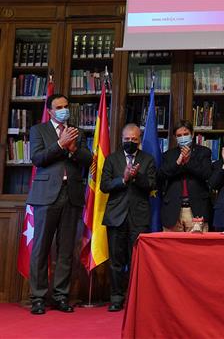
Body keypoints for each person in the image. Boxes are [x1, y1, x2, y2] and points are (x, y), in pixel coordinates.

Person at [26, 94, 92, 315]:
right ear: (50, 111)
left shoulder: (77, 132)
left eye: (66, 106)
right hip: (46, 195)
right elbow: (37, 158)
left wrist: (73, 148)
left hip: (71, 195)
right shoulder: (38, 131)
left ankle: (60, 296)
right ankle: (37, 297)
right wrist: (60, 144)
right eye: (59, 107)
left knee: (65, 250)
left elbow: (87, 159)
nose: (64, 110)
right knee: (41, 248)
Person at [100, 124, 156, 312]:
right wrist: (123, 179)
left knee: (136, 260)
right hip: (116, 216)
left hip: (138, 217)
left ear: (139, 140)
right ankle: (116, 297)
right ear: (121, 139)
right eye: (127, 139)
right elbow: (104, 186)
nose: (130, 142)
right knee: (116, 261)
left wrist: (136, 176)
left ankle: (134, 298)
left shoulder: (148, 159)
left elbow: (151, 185)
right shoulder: (112, 159)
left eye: (134, 140)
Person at [159, 120, 211, 231]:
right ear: (175, 137)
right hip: (173, 210)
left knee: (196, 248)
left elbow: (206, 174)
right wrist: (178, 162)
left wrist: (188, 162)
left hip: (196, 210)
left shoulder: (204, 152)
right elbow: (162, 175)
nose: (183, 137)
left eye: (186, 134)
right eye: (179, 135)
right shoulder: (168, 155)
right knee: (171, 248)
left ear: (192, 134)